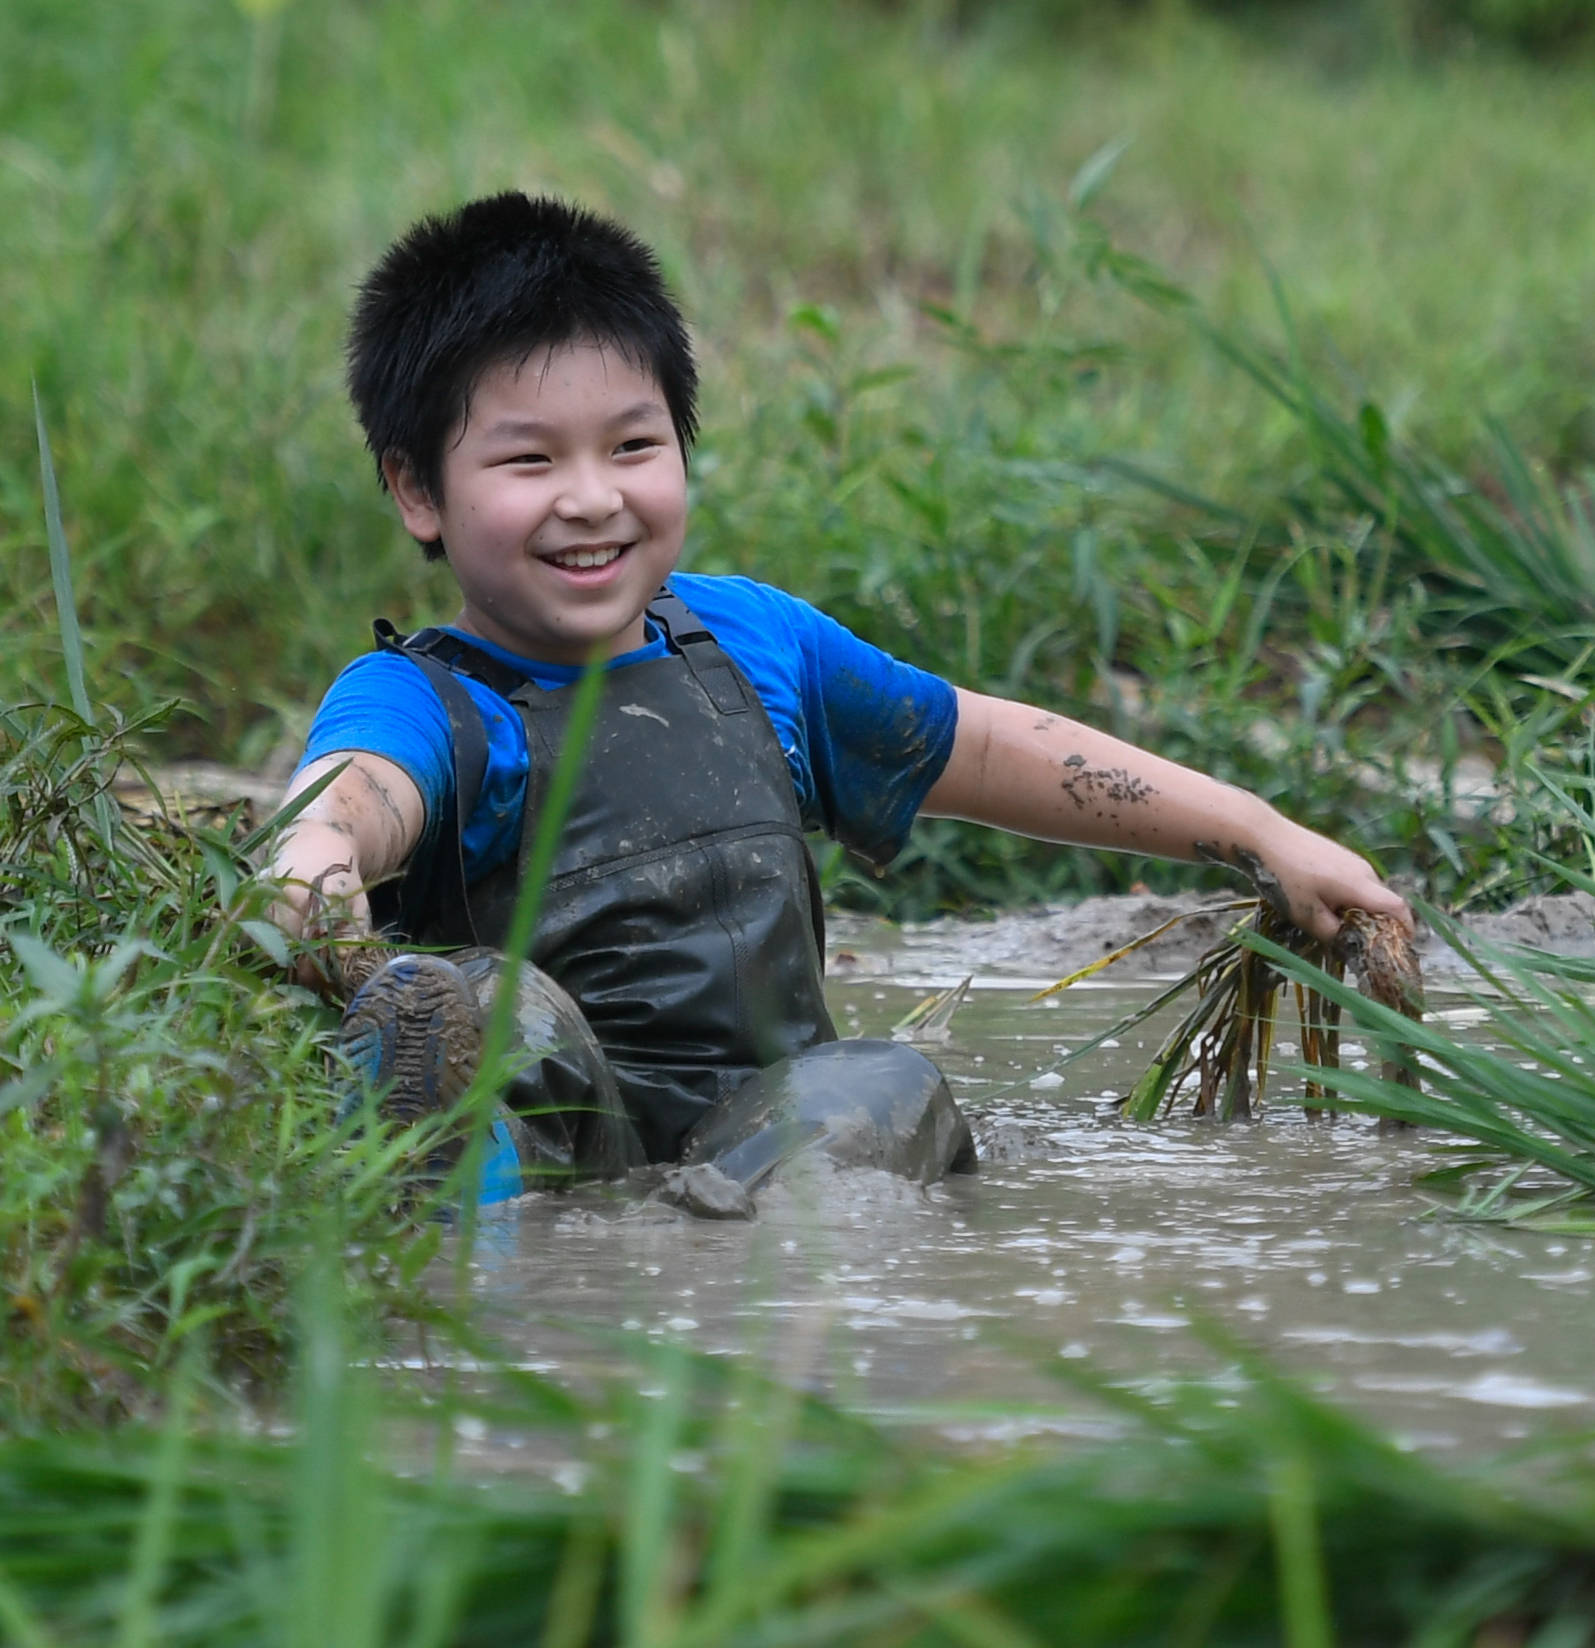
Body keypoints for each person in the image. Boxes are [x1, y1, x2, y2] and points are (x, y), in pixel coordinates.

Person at [268, 191, 1409, 1202]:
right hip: (558, 1121)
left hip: (767, 1127)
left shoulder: (753, 645)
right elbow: (357, 791)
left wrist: (1258, 832)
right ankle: (458, 1198)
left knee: (883, 1080)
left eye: (631, 446)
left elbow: (998, 748)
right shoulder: (427, 700)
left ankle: (719, 1234)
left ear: (681, 444)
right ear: (416, 489)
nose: (590, 499)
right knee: (487, 1003)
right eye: (528, 463)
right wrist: (315, 853)